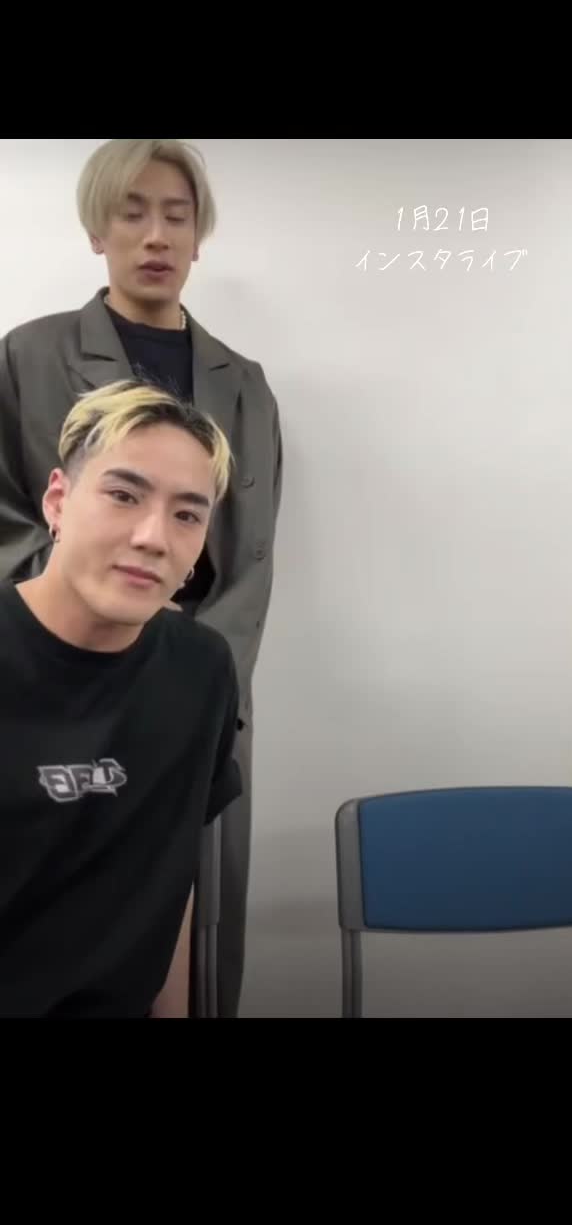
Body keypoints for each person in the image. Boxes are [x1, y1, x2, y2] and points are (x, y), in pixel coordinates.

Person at [0, 138, 283, 1017]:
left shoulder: (246, 383)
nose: (156, 235)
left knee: (177, 910)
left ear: (198, 237)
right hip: (50, 672)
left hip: (187, 685)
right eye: (132, 212)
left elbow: (250, 551)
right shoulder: (28, 355)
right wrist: (98, 626)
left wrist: (196, 671)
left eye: (176, 216)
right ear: (98, 230)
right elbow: (9, 513)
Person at [0, 378, 241, 1019]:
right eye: (123, 495)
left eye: (187, 515)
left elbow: (167, 882)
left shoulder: (201, 671)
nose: (153, 537)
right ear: (58, 501)